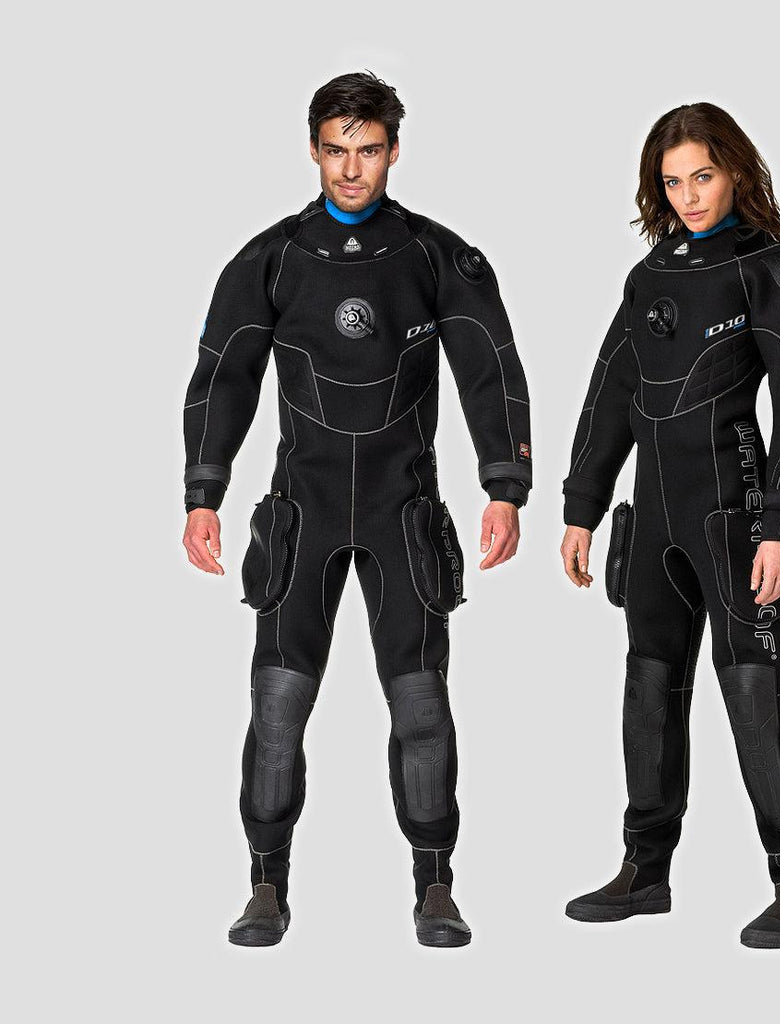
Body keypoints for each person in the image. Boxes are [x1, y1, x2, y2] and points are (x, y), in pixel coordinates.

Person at [181, 72, 532, 947]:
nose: (350, 169)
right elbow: (224, 377)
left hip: (401, 510)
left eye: (368, 150)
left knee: (421, 707)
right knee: (277, 707)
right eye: (336, 150)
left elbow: (489, 367)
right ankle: (266, 887)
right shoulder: (271, 260)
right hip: (299, 514)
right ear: (312, 148)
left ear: (394, 151)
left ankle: (435, 886)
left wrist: (504, 486)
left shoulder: (434, 256)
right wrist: (203, 494)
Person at [559, 102, 780, 948]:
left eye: (702, 176)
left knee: (755, 693)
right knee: (648, 690)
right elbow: (611, 390)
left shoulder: (775, 276)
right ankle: (645, 871)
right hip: (654, 527)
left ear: (736, 171)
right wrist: (581, 508)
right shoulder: (651, 277)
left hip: (736, 521)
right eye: (672, 181)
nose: (688, 195)